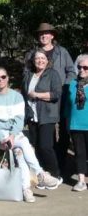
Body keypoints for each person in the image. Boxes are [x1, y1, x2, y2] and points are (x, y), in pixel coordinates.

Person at [0, 66, 60, 203]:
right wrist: (3, 138)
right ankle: (40, 174)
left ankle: (27, 189)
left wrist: (12, 136)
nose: (0, 80)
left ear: (7, 78)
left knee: (20, 151)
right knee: (23, 144)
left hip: (14, 136)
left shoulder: (17, 97)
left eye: (3, 77)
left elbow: (19, 121)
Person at [25, 23, 76, 174]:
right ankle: (48, 165)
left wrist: (63, 88)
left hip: (61, 97)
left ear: (52, 35)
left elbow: (71, 72)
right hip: (40, 102)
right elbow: (27, 74)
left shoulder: (62, 52)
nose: (44, 35)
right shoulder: (31, 54)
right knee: (46, 133)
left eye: (47, 33)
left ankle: (61, 163)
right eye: (41, 33)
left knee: (63, 131)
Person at [22, 49, 63, 185]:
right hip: (32, 116)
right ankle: (44, 176)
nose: (40, 61)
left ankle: (56, 174)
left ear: (47, 60)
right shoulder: (29, 75)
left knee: (46, 146)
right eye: (37, 58)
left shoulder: (52, 74)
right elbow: (24, 94)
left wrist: (38, 95)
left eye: (42, 58)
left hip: (47, 116)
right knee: (37, 147)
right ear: (33, 61)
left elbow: (56, 94)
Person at [66, 54, 88, 191]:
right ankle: (81, 181)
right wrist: (67, 121)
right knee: (79, 153)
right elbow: (68, 106)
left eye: (86, 67)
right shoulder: (73, 84)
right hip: (76, 124)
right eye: (79, 67)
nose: (82, 70)